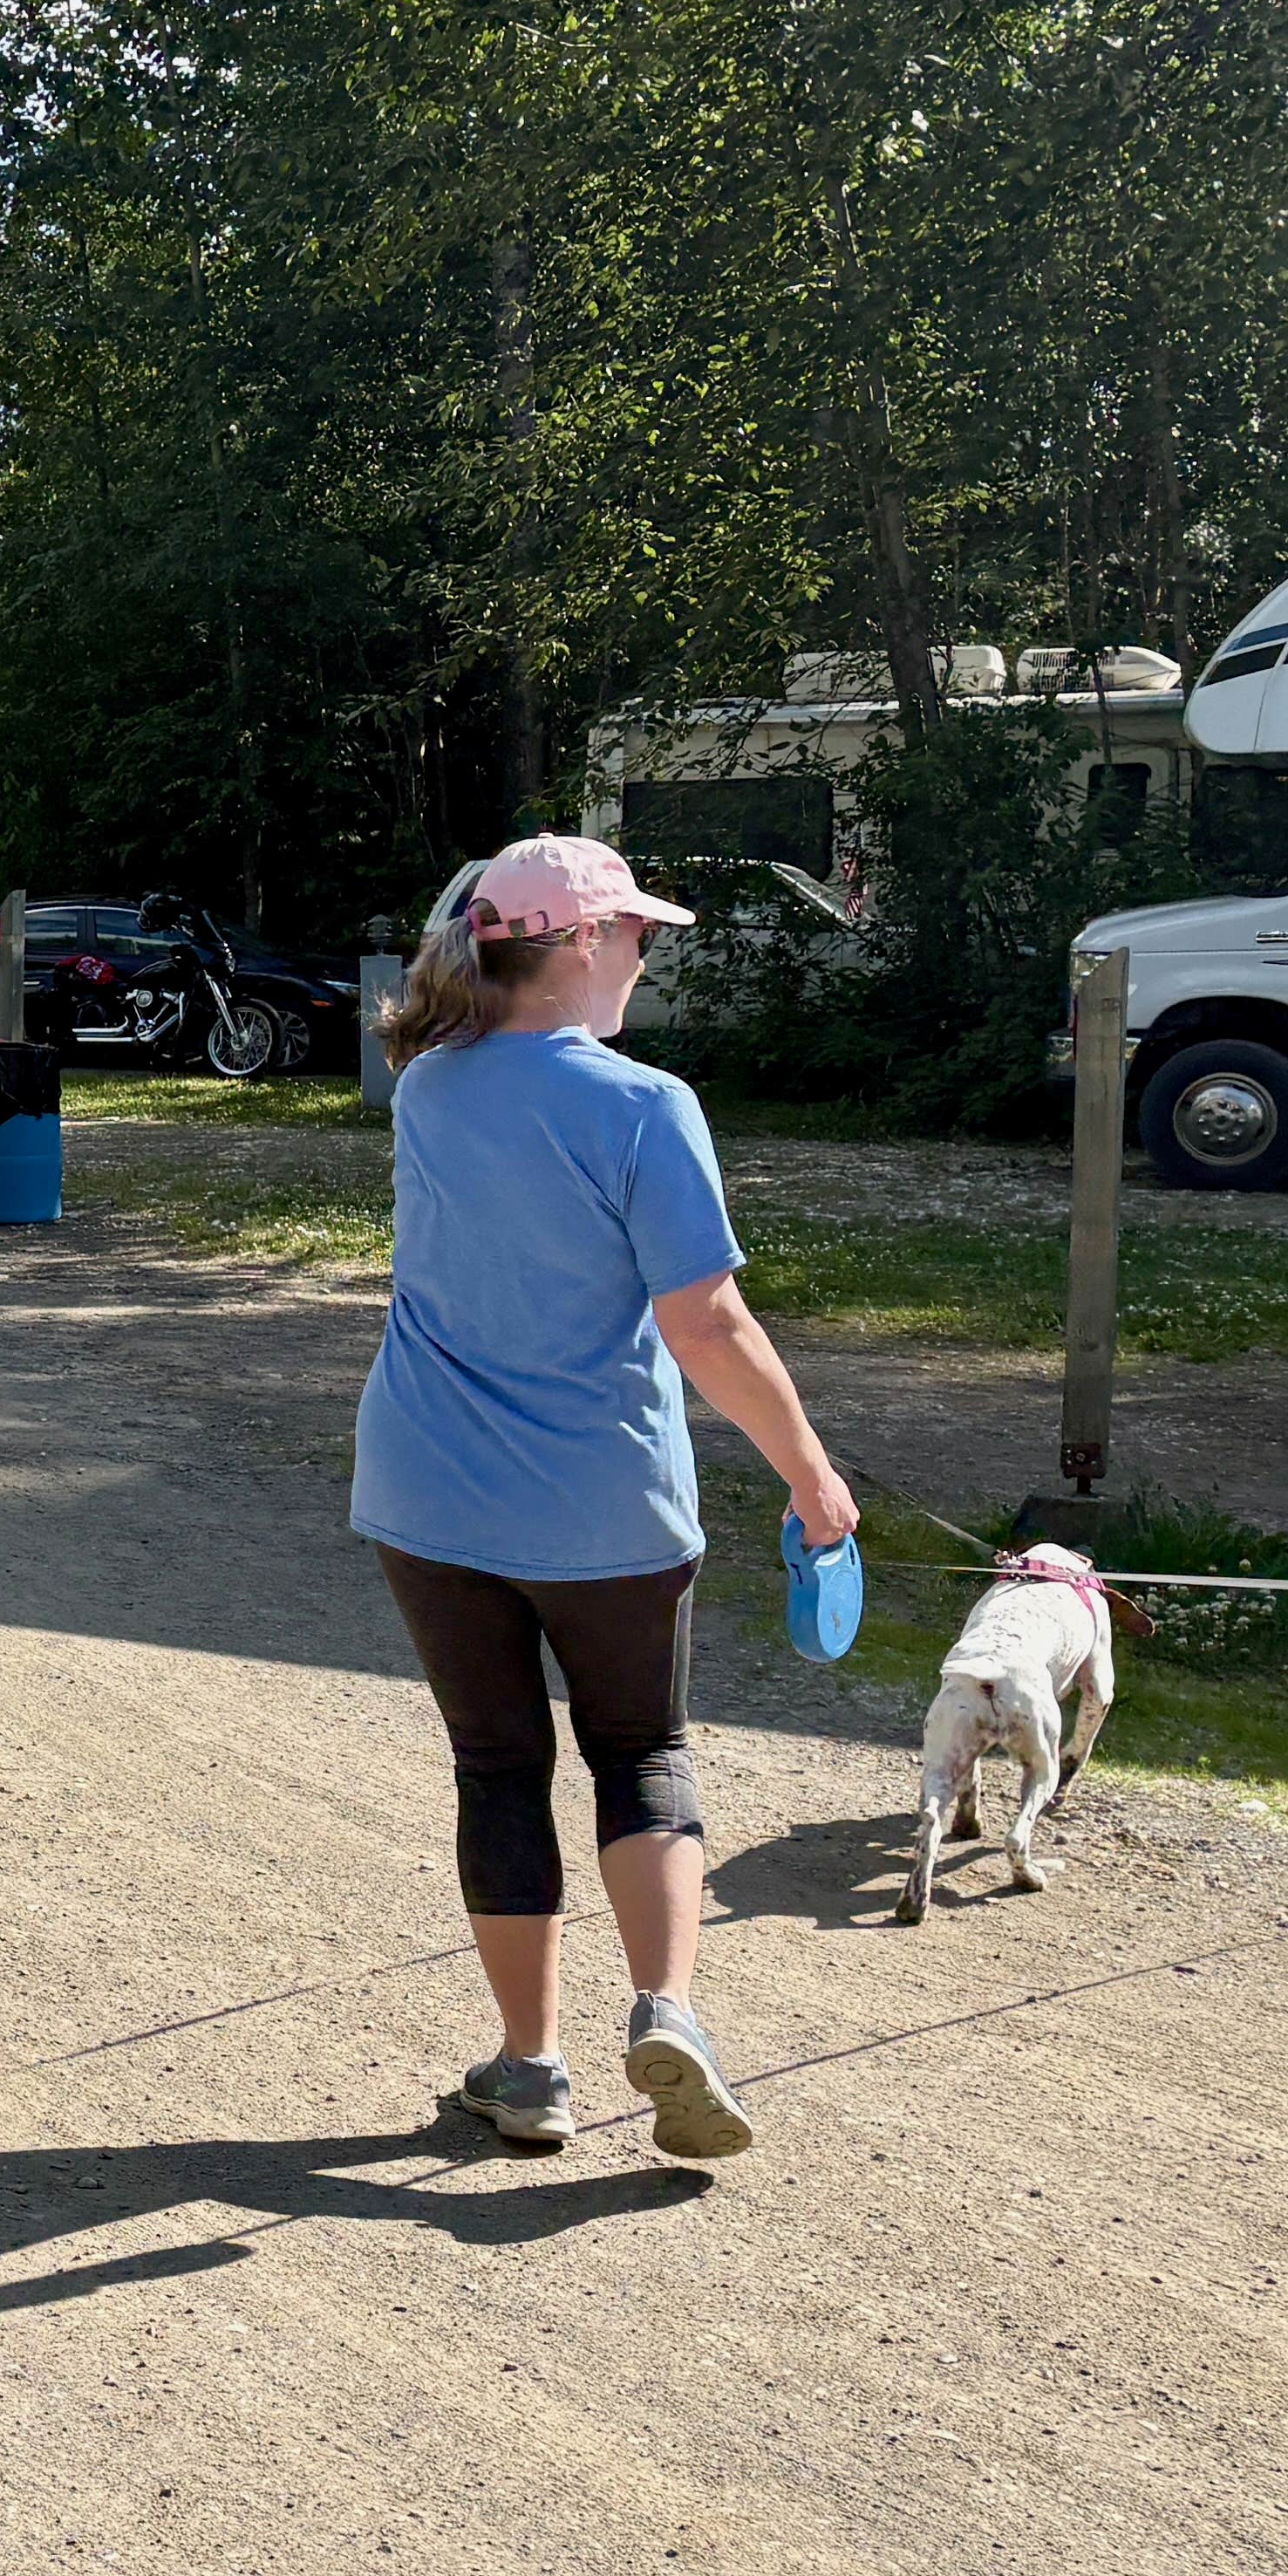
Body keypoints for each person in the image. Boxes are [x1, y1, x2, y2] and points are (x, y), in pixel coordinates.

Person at [351, 831, 855, 2163]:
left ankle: (528, 2072)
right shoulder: (645, 1106)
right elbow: (707, 1324)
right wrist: (811, 1477)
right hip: (604, 1510)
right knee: (638, 1751)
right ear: (575, 945)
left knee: (497, 1764)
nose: (642, 952)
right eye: (632, 931)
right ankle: (670, 2013)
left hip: (430, 1494)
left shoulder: (427, 1089)